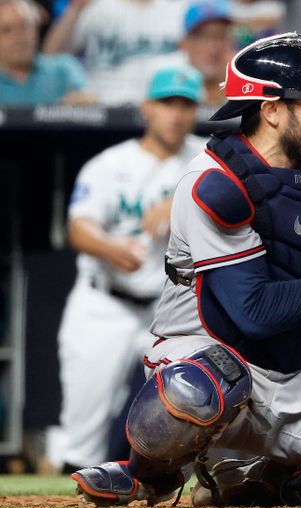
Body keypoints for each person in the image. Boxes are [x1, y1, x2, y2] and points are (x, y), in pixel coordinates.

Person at [71, 33, 301, 508]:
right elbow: (253, 312)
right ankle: (148, 471)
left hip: (296, 374)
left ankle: (265, 475)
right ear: (273, 109)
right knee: (200, 389)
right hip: (210, 357)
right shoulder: (215, 183)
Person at [53, 66, 206, 473]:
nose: (175, 114)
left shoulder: (206, 158)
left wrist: (180, 200)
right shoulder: (110, 164)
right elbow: (78, 227)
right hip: (105, 302)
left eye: (185, 105)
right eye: (166, 103)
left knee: (191, 413)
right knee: (82, 428)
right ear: (147, 108)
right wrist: (109, 246)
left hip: (168, 313)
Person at [42, 0, 188, 105]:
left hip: (162, 109)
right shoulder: (95, 7)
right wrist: (75, 9)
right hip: (99, 110)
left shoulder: (177, 11)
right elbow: (50, 57)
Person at [0, 0, 92, 105]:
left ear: (36, 30)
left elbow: (87, 100)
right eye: (7, 30)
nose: (19, 38)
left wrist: (81, 102)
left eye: (25, 27)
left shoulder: (63, 69)